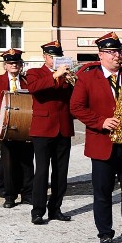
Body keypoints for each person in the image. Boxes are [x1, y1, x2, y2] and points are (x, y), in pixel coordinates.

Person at [69, 33, 122, 243]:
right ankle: (105, 234)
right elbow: (76, 107)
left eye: (119, 51)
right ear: (101, 55)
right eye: (112, 52)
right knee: (103, 193)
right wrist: (101, 121)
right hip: (102, 144)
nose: (117, 56)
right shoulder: (88, 78)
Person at [25, 40, 74, 224]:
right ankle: (37, 211)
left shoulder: (67, 75)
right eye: (52, 57)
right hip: (43, 129)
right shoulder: (34, 73)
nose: (56, 60)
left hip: (64, 128)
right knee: (42, 171)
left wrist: (71, 81)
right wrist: (55, 75)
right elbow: (33, 88)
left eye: (58, 57)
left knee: (61, 172)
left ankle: (56, 209)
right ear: (45, 57)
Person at [0, 49, 34, 208]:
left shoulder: (28, 81)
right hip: (5, 127)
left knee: (27, 161)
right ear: (5, 66)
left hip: (26, 127)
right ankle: (9, 196)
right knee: (9, 162)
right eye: (10, 63)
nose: (14, 65)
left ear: (21, 65)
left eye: (16, 63)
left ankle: (28, 194)